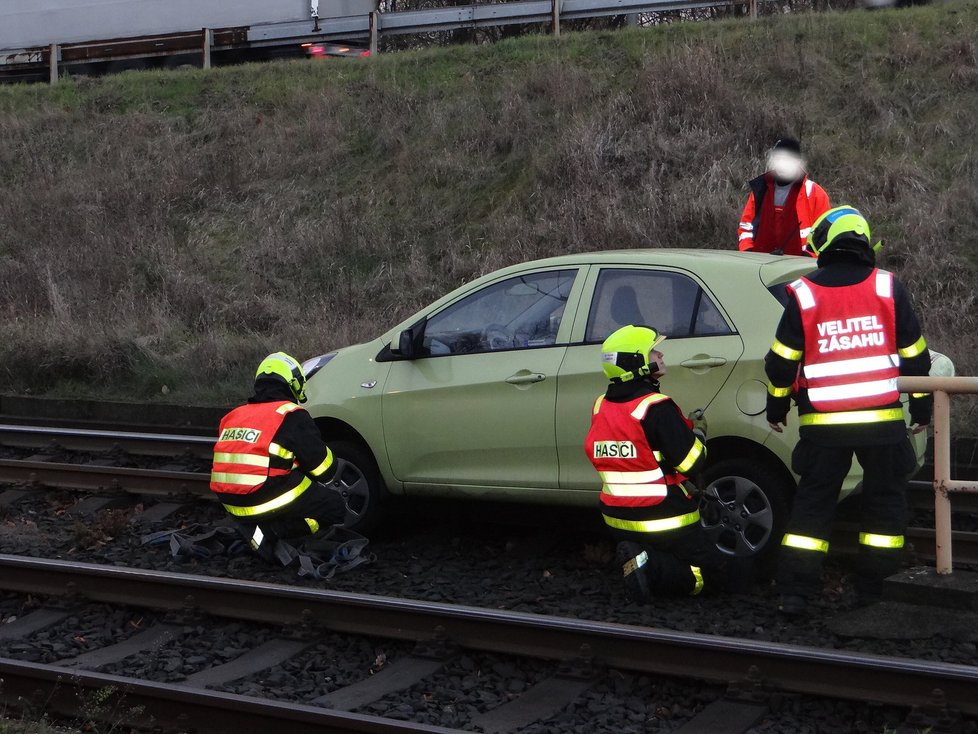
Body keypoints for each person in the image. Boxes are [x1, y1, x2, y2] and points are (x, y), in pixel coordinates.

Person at [765, 206, 932, 615]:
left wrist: (777, 405)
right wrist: (922, 410)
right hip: (883, 424)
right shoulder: (887, 287)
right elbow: (916, 357)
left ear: (826, 241)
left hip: (824, 428)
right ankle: (874, 591)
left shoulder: (804, 293)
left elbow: (781, 362)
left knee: (813, 506)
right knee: (885, 505)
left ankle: (795, 594)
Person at [584, 325, 728, 602]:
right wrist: (697, 432)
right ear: (637, 362)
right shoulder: (655, 406)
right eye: (652, 351)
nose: (660, 354)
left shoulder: (602, 405)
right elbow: (692, 464)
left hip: (616, 518)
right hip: (662, 518)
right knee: (717, 574)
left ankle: (639, 556)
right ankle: (650, 567)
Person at [210, 352, 347, 557]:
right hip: (259, 501)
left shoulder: (234, 415)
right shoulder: (291, 415)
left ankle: (256, 527)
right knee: (334, 507)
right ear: (294, 384)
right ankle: (268, 533)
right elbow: (324, 471)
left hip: (231, 504)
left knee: (286, 476)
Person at [738, 137, 831, 256]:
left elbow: (825, 234)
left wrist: (808, 257)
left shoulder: (815, 193)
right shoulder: (760, 189)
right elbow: (745, 227)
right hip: (760, 265)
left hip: (798, 267)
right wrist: (748, 252)